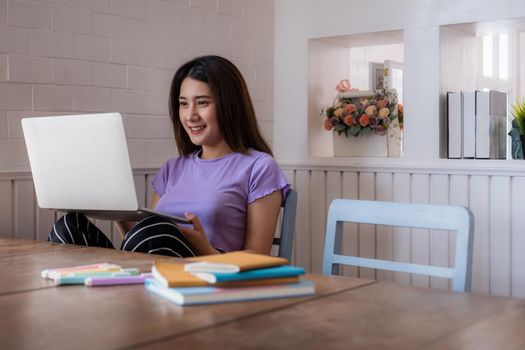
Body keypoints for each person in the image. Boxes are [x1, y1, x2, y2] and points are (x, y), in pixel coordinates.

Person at [48, 55, 290, 257]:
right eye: (183, 104)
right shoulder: (172, 168)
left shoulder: (259, 166)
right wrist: (119, 214)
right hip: (154, 267)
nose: (190, 115)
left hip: (210, 272)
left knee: (156, 230)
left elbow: (258, 255)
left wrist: (204, 248)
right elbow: (142, 241)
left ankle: (117, 300)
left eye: (202, 103)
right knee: (69, 227)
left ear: (230, 105)